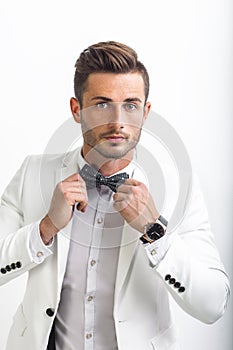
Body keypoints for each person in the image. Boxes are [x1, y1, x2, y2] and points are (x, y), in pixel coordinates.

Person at [0, 41, 230, 350]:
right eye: (102, 104)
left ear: (146, 112)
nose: (117, 122)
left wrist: (155, 232)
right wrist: (45, 229)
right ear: (76, 109)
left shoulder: (179, 188)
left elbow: (213, 305)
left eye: (131, 105)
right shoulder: (33, 174)